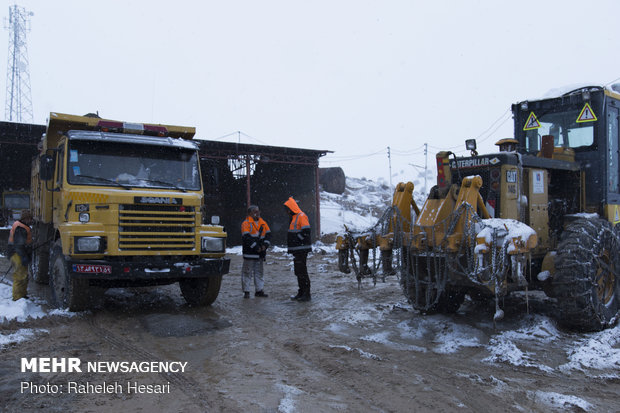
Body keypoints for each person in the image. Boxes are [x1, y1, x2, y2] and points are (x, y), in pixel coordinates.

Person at [284, 197, 312, 301]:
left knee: (302, 271)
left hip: (301, 249)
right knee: (298, 271)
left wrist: (297, 240)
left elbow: (306, 232)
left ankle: (306, 293)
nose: (286, 212)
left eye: (287, 209)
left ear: (291, 208)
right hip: (297, 250)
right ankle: (301, 292)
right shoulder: (294, 218)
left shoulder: (301, 216)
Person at [240, 205, 271, 299]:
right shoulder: (246, 223)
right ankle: (246, 291)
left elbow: (268, 236)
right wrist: (256, 247)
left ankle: (259, 290)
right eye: (255, 211)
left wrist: (264, 246)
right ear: (250, 213)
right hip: (250, 253)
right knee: (247, 272)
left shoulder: (263, 223)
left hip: (260, 253)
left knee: (259, 272)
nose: (257, 213)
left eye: (258, 211)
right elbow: (246, 238)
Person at [7, 209, 33, 301]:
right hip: (17, 254)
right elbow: (19, 245)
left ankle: (22, 295)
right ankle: (17, 297)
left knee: (24, 275)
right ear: (25, 218)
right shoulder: (21, 228)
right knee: (19, 276)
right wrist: (24, 256)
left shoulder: (22, 226)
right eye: (30, 218)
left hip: (18, 253)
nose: (31, 221)